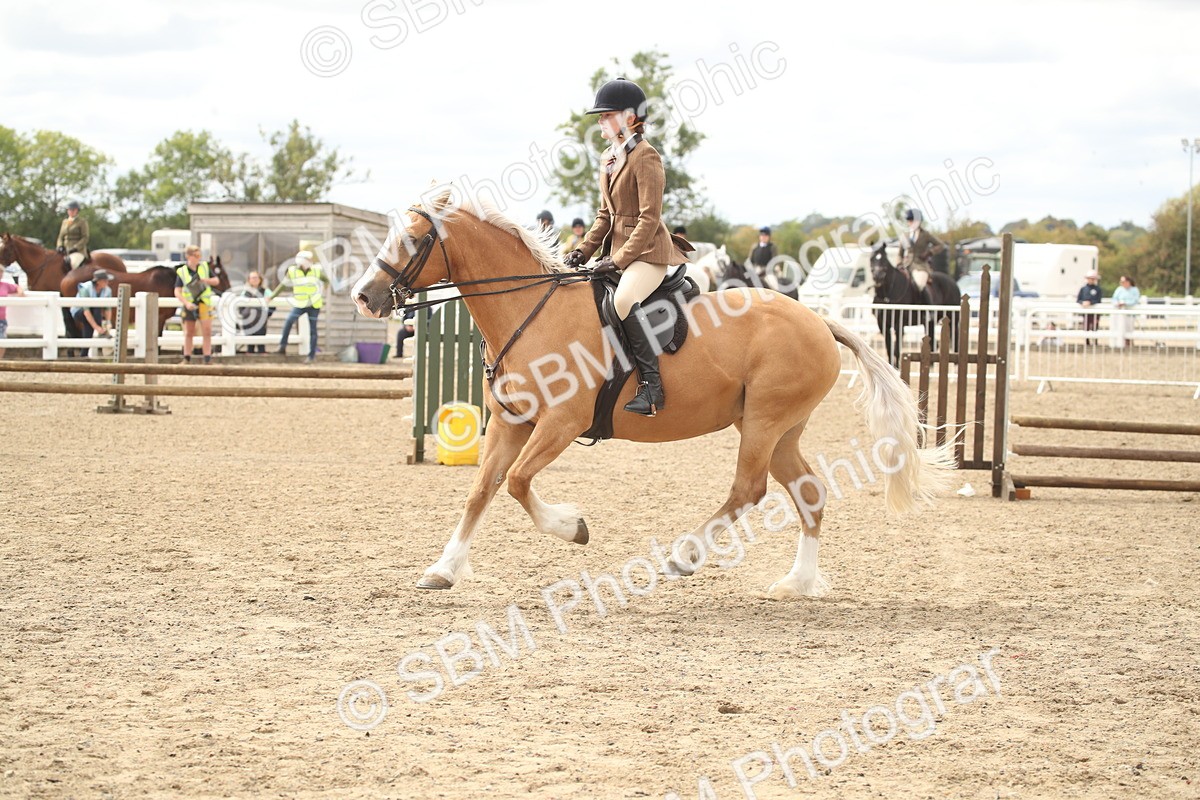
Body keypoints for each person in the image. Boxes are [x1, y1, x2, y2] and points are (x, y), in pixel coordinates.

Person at [562, 77, 693, 416]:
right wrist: (584, 250)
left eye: (608, 115)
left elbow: (649, 220)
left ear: (631, 118)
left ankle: (652, 388)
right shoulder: (609, 157)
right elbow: (605, 214)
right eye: (601, 116)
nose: (601, 121)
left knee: (623, 300)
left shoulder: (647, 158)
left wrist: (618, 260)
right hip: (619, 253)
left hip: (649, 253)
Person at [273, 250, 326, 363]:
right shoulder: (292, 271)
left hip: (314, 304)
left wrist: (321, 291)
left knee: (313, 330)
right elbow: (283, 285)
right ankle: (282, 346)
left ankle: (311, 356)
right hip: (300, 304)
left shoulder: (316, 270)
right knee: (289, 321)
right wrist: (271, 296)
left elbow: (326, 281)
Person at [174, 245, 220, 364]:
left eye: (199, 255)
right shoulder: (182, 271)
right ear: (188, 256)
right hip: (190, 303)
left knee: (207, 331)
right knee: (189, 331)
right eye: (196, 255)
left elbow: (216, 280)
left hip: (204, 302)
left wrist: (206, 280)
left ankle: (207, 357)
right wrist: (186, 303)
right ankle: (187, 357)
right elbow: (177, 291)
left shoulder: (204, 267)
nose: (198, 258)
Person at [71, 269, 113, 357]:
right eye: (105, 280)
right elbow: (86, 310)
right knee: (95, 310)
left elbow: (108, 308)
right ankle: (102, 333)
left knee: (89, 326)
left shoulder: (107, 290)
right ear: (98, 281)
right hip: (79, 311)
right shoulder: (85, 288)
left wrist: (108, 322)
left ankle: (84, 354)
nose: (107, 282)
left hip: (93, 313)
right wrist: (97, 327)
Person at [237, 271, 272, 354]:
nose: (254, 280)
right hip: (248, 320)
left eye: (256, 277)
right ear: (249, 280)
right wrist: (245, 314)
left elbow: (272, 302)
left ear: (260, 279)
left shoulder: (265, 291)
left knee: (261, 340)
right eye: (252, 278)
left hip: (261, 319)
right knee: (250, 342)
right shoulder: (245, 292)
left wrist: (266, 314)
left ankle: (262, 353)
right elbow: (240, 305)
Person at [56, 200, 90, 270]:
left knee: (72, 263)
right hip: (65, 251)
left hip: (78, 251)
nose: (70, 211)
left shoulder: (82, 222)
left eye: (72, 210)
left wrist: (75, 248)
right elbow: (60, 237)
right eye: (69, 210)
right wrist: (60, 246)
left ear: (76, 210)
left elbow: (85, 237)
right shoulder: (64, 222)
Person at [1110, 275, 1141, 349]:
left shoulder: (1134, 290)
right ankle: (1120, 344)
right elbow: (1114, 298)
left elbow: (1135, 300)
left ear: (1128, 282)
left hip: (1129, 313)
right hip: (1119, 313)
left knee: (1129, 329)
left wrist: (1125, 303)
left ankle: (1129, 344)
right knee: (1119, 328)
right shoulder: (1119, 289)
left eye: (1123, 282)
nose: (1122, 283)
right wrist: (1117, 303)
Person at [0, 272, 25, 358]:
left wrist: (20, 292)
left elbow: (17, 287)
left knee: (2, 339)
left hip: (1, 319)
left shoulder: (5, 285)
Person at [1076, 269, 1103, 346]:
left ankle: (1095, 342)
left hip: (1095, 311)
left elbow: (1098, 300)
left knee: (1095, 326)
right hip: (1086, 311)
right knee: (1086, 326)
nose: (1091, 280)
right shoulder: (1083, 289)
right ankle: (1087, 342)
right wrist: (1082, 303)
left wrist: (1091, 303)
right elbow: (1078, 299)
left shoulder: (1098, 289)